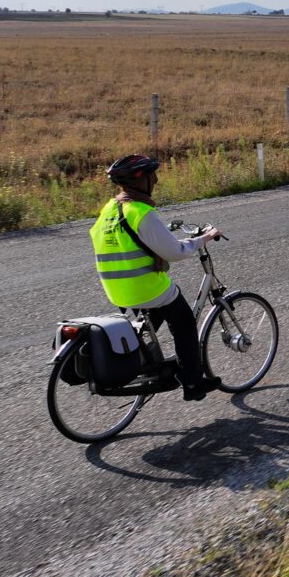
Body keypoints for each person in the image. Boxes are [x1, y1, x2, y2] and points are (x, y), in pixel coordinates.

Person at [91, 155, 223, 400]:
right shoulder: (141, 212)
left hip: (116, 289)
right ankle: (193, 383)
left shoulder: (110, 209)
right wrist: (204, 238)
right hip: (145, 287)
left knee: (155, 314)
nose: (157, 179)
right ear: (141, 180)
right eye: (153, 175)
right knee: (183, 320)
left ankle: (145, 362)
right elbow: (175, 251)